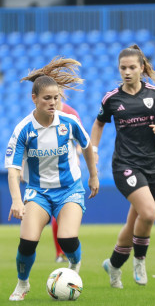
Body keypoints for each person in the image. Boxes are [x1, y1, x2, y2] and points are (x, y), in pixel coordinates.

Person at [6, 57, 99, 301]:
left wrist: (94, 176)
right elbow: (14, 170)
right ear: (34, 98)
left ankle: (74, 267)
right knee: (27, 242)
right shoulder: (23, 129)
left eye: (56, 97)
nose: (53, 102)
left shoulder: (69, 122)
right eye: (47, 98)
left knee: (67, 238)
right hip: (38, 191)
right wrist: (17, 200)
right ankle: (22, 284)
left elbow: (88, 147)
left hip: (69, 189)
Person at [92, 45, 155, 288]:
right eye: (123, 68)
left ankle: (113, 265)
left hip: (152, 166)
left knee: (134, 224)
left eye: (132, 67)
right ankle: (139, 261)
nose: (127, 72)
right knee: (149, 213)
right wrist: (94, 150)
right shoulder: (112, 98)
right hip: (125, 166)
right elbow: (99, 124)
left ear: (142, 68)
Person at [51, 90, 86, 263]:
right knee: (53, 215)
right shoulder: (41, 113)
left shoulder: (71, 114)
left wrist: (77, 155)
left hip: (67, 171)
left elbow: (82, 142)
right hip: (47, 171)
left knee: (64, 213)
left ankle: (65, 252)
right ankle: (60, 252)